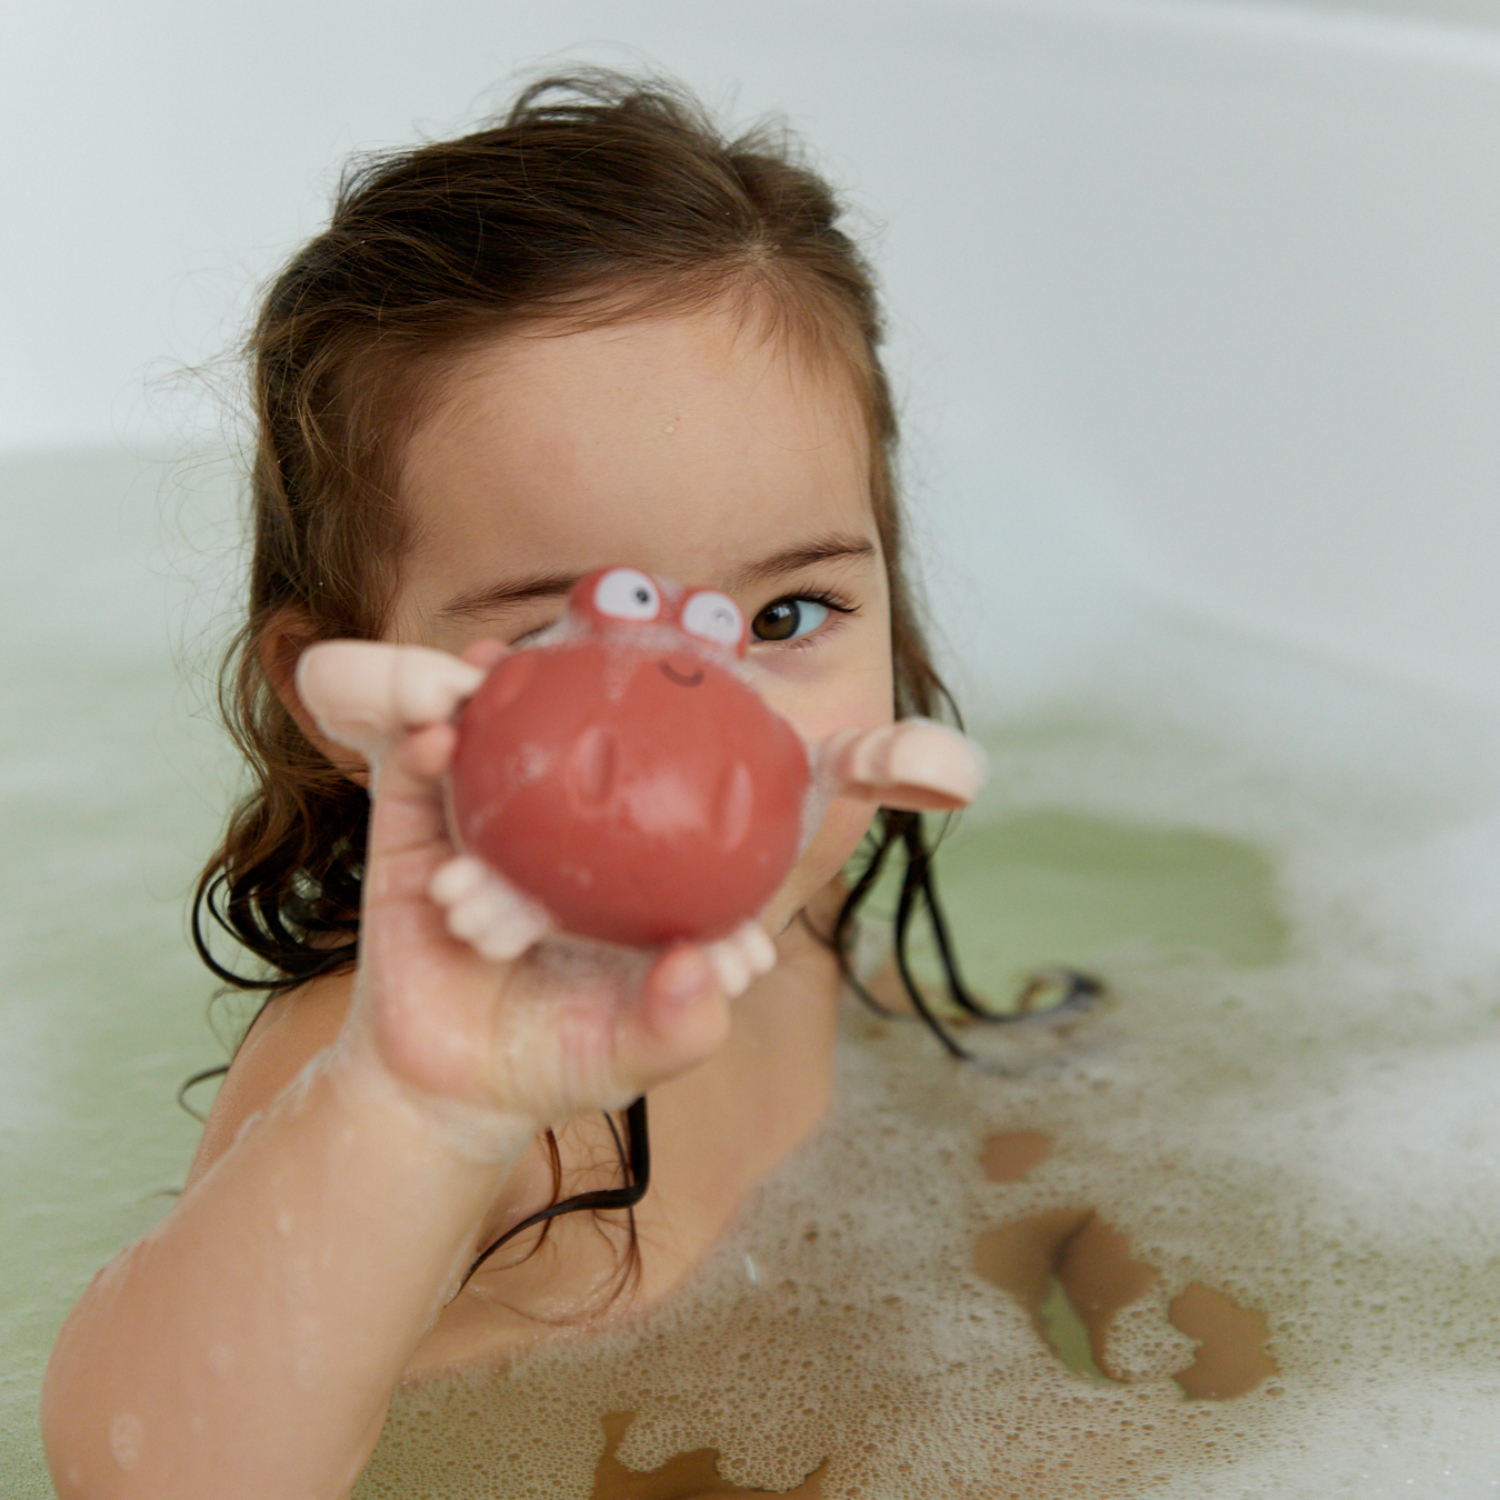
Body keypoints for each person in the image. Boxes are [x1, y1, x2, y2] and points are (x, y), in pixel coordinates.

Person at [40, 71, 993, 1500]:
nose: (712, 722)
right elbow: (152, 1477)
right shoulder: (393, 1051)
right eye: (563, 644)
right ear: (350, 697)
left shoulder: (801, 908)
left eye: (789, 617)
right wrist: (417, 1106)